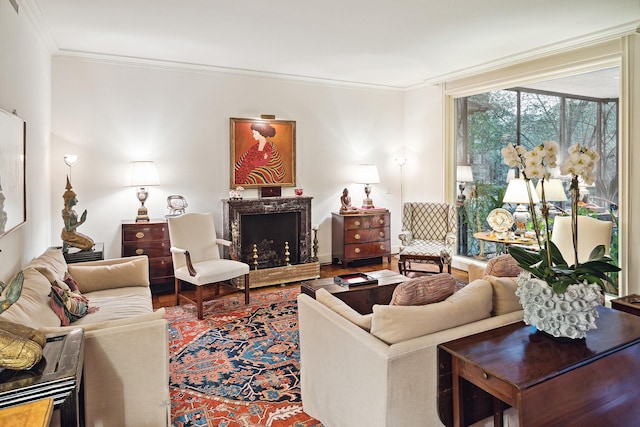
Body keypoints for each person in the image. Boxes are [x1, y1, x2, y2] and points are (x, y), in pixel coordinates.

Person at [61, 177, 94, 253]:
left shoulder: (72, 211)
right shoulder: (66, 212)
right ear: (70, 200)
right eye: (75, 198)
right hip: (68, 234)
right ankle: (68, 242)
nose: (77, 200)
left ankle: (67, 244)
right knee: (89, 244)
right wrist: (81, 222)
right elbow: (68, 228)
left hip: (73, 233)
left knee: (91, 241)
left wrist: (81, 221)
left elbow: (72, 226)